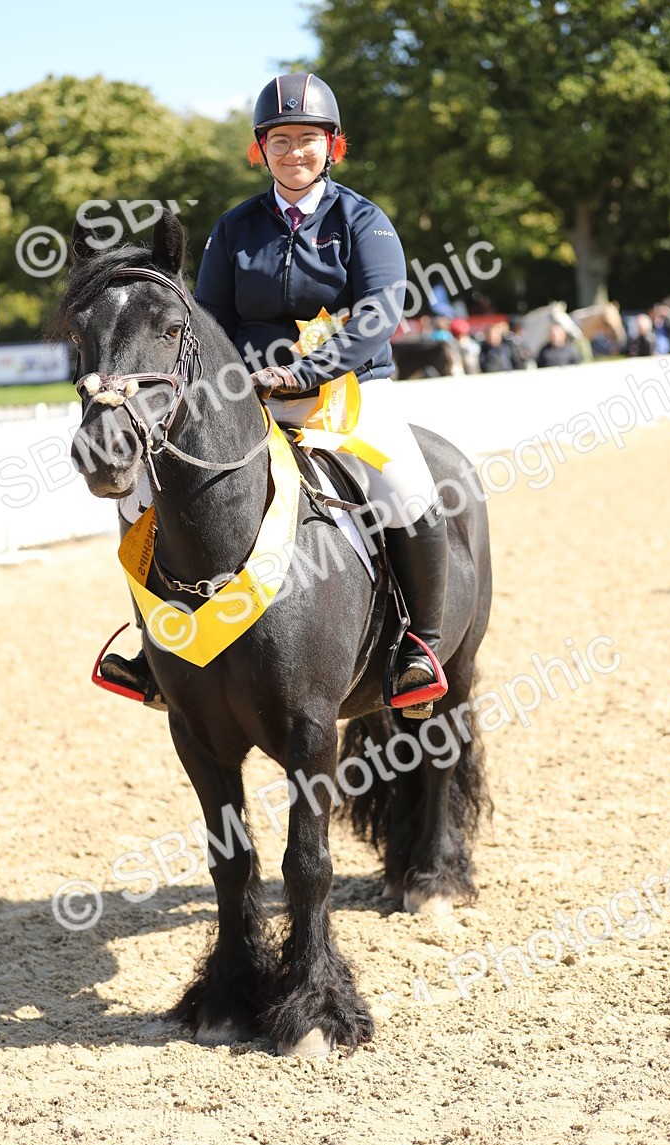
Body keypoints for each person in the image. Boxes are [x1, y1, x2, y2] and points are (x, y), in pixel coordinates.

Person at [101, 73, 449, 716]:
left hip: (347, 393)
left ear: (332, 145)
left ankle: (417, 649)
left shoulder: (363, 221)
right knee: (140, 494)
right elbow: (208, 324)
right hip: (247, 396)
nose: (294, 152)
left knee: (407, 488)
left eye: (308, 139)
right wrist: (231, 384)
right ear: (260, 149)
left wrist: (305, 372)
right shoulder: (235, 228)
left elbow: (378, 313)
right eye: (280, 140)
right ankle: (157, 649)